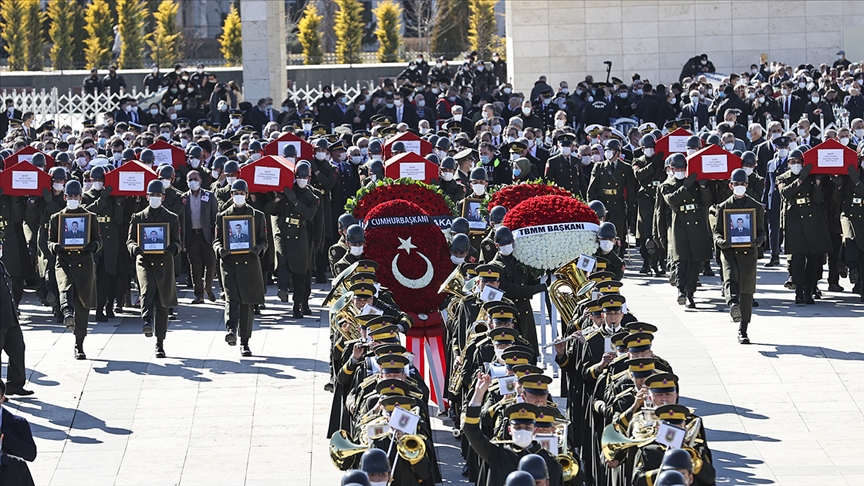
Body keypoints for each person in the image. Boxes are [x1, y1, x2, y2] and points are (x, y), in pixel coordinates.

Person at [127, 180, 182, 358]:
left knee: (163, 303)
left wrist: (173, 248)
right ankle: (147, 320)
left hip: (164, 261)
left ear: (163, 197)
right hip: (144, 259)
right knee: (147, 287)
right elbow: (130, 240)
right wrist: (134, 248)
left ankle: (160, 343)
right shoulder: (138, 217)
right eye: (152, 195)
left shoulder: (172, 218)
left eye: (158, 195)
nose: (155, 198)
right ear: (146, 196)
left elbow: (178, 242)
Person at [214, 179, 268, 356]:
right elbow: (216, 240)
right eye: (236, 193)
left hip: (249, 264)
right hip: (229, 263)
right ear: (231, 195)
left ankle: (245, 342)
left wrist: (258, 248)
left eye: (242, 193)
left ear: (247, 195)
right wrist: (219, 249)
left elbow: (264, 240)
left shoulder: (257, 216)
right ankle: (231, 329)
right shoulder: (222, 216)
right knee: (231, 298)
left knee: (247, 304)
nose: (239, 196)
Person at [48, 180, 101, 360]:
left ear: (81, 197)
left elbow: (99, 241)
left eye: (76, 196)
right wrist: (54, 247)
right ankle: (66, 312)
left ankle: (79, 343)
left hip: (84, 263)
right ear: (65, 198)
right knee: (65, 286)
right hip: (64, 260)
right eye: (70, 196)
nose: (73, 199)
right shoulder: (56, 218)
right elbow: (50, 241)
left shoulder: (90, 217)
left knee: (83, 305)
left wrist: (93, 245)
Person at [713, 169, 766, 344]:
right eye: (736, 184)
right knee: (730, 278)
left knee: (747, 291)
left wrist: (758, 241)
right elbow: (717, 232)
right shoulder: (723, 207)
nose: (739, 187)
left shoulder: (755, 207)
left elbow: (762, 232)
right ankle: (732, 304)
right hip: (729, 251)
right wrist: (720, 242)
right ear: (730, 186)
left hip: (748, 253)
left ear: (747, 185)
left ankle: (743, 329)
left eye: (742, 184)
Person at [660, 154, 713, 308]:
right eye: (677, 169)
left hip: (697, 224)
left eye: (683, 168)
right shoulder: (667, 185)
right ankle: (681, 290)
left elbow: (707, 202)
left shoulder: (694, 182)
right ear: (671, 168)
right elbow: (671, 201)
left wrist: (703, 187)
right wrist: (685, 187)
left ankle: (690, 293)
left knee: (696, 262)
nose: (680, 171)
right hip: (680, 225)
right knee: (681, 261)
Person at [777, 155, 832, 305]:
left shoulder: (811, 176)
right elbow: (785, 193)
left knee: (813, 258)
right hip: (795, 220)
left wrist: (818, 182)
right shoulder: (783, 178)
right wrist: (801, 179)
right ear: (788, 163)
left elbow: (818, 199)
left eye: (799, 162)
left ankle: (809, 291)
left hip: (813, 218)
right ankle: (799, 292)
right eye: (792, 162)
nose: (796, 164)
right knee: (797, 259)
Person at [0, 233, 33, 396]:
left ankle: (15, 384)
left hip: (9, 317)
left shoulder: (1, 264)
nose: (0, 248)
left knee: (18, 349)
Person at [182, 169, 218, 304]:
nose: (193, 182)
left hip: (206, 235)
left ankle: (208, 287)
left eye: (195, 179)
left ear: (201, 181)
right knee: (195, 266)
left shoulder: (209, 196)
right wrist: (182, 240)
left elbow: (215, 216)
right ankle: (199, 294)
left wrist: (215, 236)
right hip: (191, 235)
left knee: (211, 263)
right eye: (190, 180)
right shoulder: (183, 198)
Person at [0, 380, 38, 485]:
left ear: (2, 399)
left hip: (10, 477)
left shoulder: (18, 423)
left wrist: (5, 436)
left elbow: (30, 454)